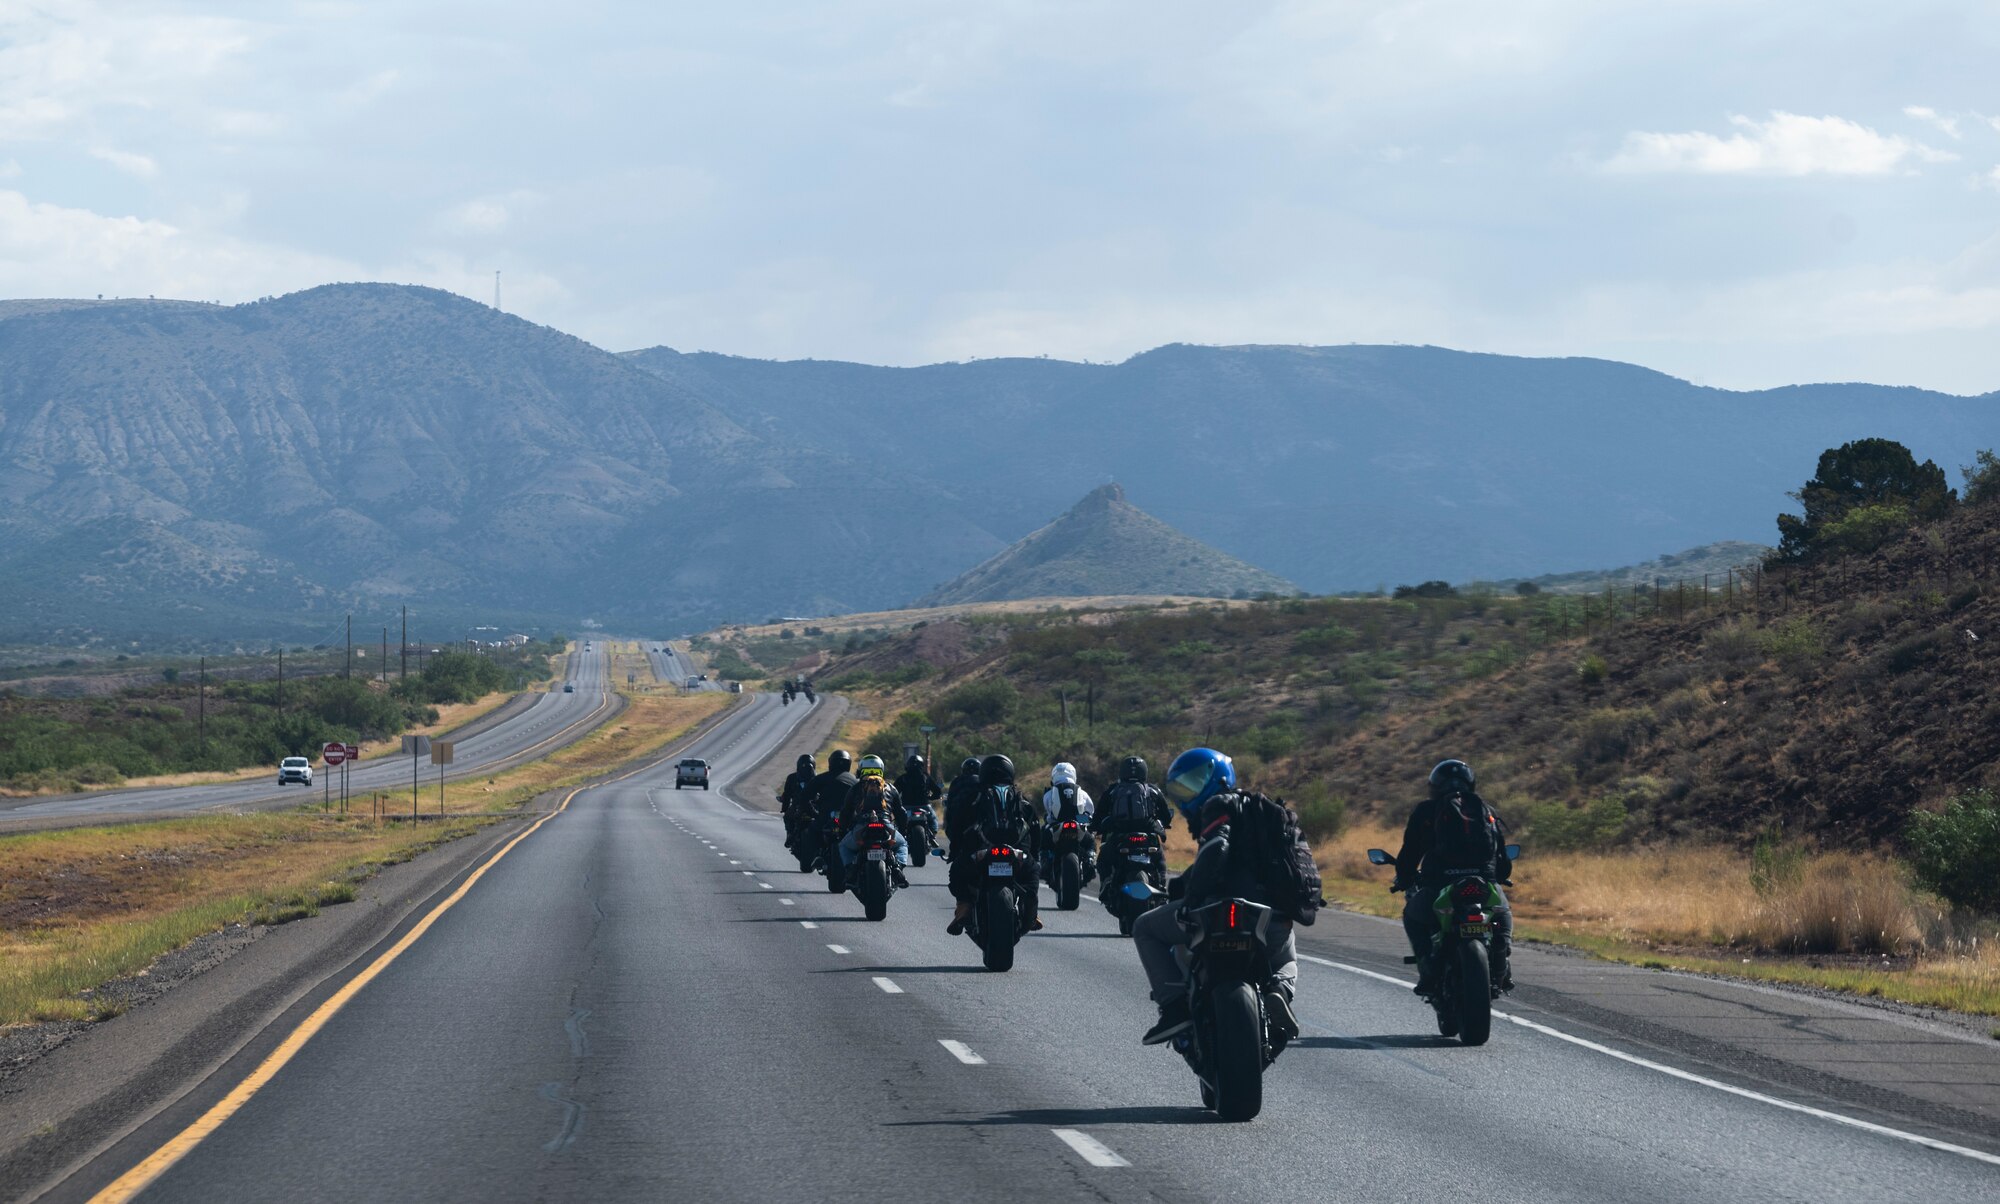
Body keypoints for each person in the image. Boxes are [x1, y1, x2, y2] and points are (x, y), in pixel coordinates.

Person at [1135, 748, 1303, 1046]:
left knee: (1144, 927)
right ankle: (1279, 990)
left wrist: (1191, 899)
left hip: (1214, 911)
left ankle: (1174, 1007)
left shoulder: (1218, 806)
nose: (1189, 794)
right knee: (1286, 956)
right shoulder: (1266, 814)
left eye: (1196, 782)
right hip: (1267, 915)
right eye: (1183, 787)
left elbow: (1216, 849)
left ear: (1218, 777)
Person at [1392, 759, 1514, 996]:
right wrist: (1497, 876)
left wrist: (1404, 878)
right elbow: (1502, 860)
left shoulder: (1426, 811)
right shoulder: (1486, 810)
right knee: (1502, 913)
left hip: (1440, 885)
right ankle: (1502, 962)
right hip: (1483, 882)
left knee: (1412, 917)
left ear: (1435, 785)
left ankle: (1427, 970)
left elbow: (1410, 853)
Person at [946, 754, 1042, 935]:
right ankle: (1030, 910)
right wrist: (1033, 855)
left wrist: (955, 851)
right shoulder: (1020, 798)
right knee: (1032, 873)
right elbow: (1036, 829)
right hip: (1015, 853)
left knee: (957, 872)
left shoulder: (974, 797)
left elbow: (957, 826)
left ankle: (964, 907)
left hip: (981, 852)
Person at [1094, 755, 1173, 888]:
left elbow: (1099, 814)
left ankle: (1106, 882)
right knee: (1159, 858)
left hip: (1120, 834)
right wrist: (1164, 823)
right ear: (1144, 771)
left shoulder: (1112, 790)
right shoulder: (1153, 790)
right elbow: (1165, 815)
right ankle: (1162, 884)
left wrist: (1095, 826)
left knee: (1103, 860)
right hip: (1147, 834)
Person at [837, 767, 910, 884]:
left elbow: (846, 812)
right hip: (886, 825)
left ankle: (851, 870)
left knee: (843, 846)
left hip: (862, 826)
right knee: (902, 844)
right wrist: (903, 831)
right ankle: (898, 868)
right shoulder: (891, 788)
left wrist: (842, 830)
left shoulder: (856, 788)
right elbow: (901, 813)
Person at [1039, 761, 1095, 879]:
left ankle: (1044, 861)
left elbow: (1048, 811)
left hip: (1056, 824)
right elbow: (1090, 810)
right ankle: (1090, 858)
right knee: (1090, 841)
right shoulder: (1082, 792)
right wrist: (1084, 820)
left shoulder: (1049, 793)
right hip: (1077, 822)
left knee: (1043, 839)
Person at [806, 749, 858, 870]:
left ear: (831, 763)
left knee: (812, 830)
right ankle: (817, 856)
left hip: (832, 818)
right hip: (845, 819)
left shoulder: (821, 778)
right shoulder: (855, 781)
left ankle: (817, 855)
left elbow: (804, 798)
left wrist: (813, 813)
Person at [894, 754, 942, 847]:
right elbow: (937, 791)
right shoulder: (926, 777)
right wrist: (931, 797)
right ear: (921, 765)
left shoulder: (903, 778)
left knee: (899, 821)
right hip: (924, 806)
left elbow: (894, 792)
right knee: (933, 819)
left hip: (906, 807)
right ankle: (932, 836)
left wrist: (895, 803)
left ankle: (901, 836)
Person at [940, 756, 983, 860]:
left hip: (962, 820)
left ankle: (953, 854)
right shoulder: (983, 781)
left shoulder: (957, 781)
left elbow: (950, 803)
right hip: (981, 818)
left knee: (955, 838)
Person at [780, 754, 816, 850]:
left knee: (787, 817)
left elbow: (787, 795)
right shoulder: (817, 778)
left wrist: (784, 808)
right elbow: (786, 795)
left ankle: (790, 835)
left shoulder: (817, 779)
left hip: (808, 807)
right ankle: (790, 835)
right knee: (787, 817)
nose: (806, 769)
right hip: (804, 807)